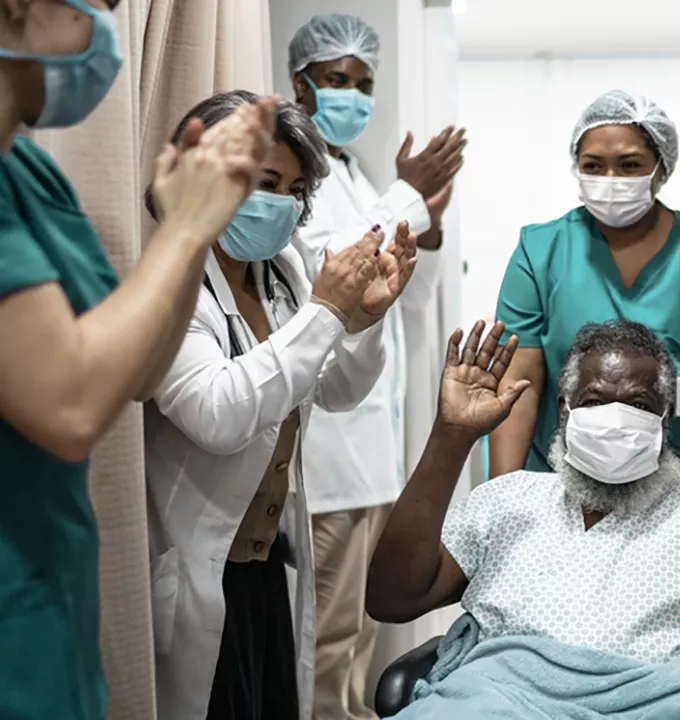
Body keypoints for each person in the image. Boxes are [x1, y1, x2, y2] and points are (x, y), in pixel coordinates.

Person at [0, 2, 271, 718]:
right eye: (101, 6)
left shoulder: (27, 169)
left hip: (50, 598)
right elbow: (69, 405)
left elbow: (138, 371)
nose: (108, 28)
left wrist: (190, 235)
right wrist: (183, 230)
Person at [143, 91, 418, 720]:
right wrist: (325, 312)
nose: (281, 203)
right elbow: (219, 415)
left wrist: (363, 320)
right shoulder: (171, 278)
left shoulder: (283, 269)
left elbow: (338, 389)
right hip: (199, 565)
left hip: (270, 559)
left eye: (294, 188)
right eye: (265, 181)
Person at [367, 320, 680, 670]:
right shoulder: (506, 502)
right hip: (506, 699)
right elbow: (392, 598)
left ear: (665, 421)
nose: (614, 419)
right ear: (564, 412)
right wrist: (450, 438)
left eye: (638, 405)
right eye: (593, 402)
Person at [284, 15, 467, 718]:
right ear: (299, 83)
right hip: (327, 457)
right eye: (337, 80)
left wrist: (428, 224)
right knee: (328, 636)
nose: (353, 96)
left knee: (360, 633)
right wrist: (407, 196)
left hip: (373, 452)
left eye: (364, 83)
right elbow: (339, 273)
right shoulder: (298, 176)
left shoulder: (358, 179)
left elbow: (400, 300)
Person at [488, 91, 680, 480]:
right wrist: (502, 497)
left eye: (630, 164)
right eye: (593, 165)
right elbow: (520, 386)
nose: (610, 180)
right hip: (562, 482)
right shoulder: (540, 252)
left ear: (661, 169)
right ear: (576, 167)